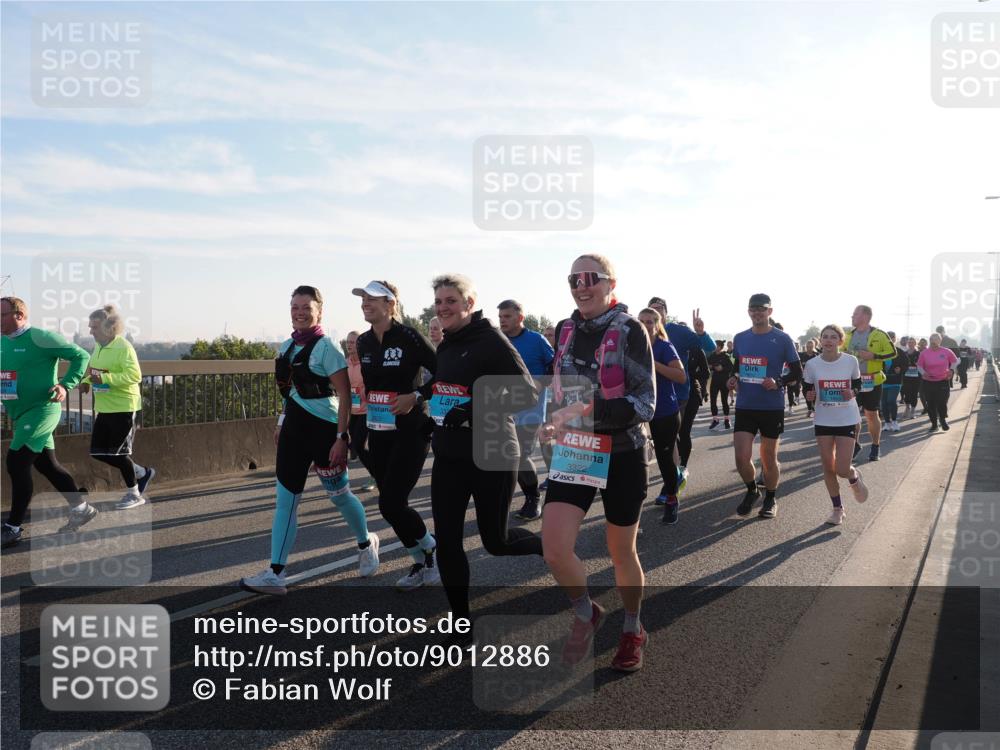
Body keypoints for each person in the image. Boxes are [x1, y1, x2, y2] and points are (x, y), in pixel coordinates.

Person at [545, 255, 655, 672]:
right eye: (574, 279)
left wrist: (585, 411)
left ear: (611, 284)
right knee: (555, 550)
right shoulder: (565, 329)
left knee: (620, 551)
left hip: (624, 451)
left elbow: (645, 403)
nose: (581, 286)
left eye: (590, 278)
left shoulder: (630, 330)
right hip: (577, 448)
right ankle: (585, 612)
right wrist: (552, 419)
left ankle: (632, 627)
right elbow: (561, 390)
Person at [240, 286, 378, 596]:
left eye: (306, 307)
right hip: (293, 431)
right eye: (294, 307)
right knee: (286, 501)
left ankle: (366, 542)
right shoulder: (286, 346)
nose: (299, 312)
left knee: (339, 496)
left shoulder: (326, 348)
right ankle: (276, 573)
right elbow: (288, 391)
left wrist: (342, 437)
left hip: (324, 432)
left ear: (319, 312)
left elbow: (344, 396)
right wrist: (281, 422)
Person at [429, 274, 543, 633]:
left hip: (492, 452)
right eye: (439, 301)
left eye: (451, 300)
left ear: (469, 303)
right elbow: (446, 390)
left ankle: (551, 548)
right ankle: (460, 622)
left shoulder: (491, 340)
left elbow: (527, 393)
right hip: (449, 455)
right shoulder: (446, 345)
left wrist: (473, 408)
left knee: (497, 541)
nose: (443, 307)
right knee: (447, 542)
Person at [352, 280, 440, 590]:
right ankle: (421, 559)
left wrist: (416, 396)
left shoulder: (409, 337)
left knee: (391, 502)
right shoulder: (363, 341)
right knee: (389, 503)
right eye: (363, 299)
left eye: (372, 299)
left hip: (411, 429)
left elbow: (444, 371)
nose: (365, 304)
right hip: (379, 431)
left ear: (390, 304)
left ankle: (430, 550)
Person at [2, 297, 94, 548]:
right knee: (47, 465)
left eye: (2, 315)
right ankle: (82, 508)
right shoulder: (2, 341)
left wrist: (65, 385)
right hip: (20, 413)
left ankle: (13, 528)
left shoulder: (41, 338)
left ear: (19, 315)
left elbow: (81, 356)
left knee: (17, 462)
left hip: (42, 410)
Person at [727, 293, 801, 519]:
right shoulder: (740, 338)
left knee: (768, 458)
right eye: (753, 309)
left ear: (770, 311)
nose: (757, 312)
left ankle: (770, 497)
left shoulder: (782, 338)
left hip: (771, 407)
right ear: (748, 311)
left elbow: (797, 372)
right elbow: (737, 366)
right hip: (746, 405)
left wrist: (778, 382)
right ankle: (752, 490)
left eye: (762, 309)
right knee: (741, 457)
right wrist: (733, 378)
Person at [81, 306, 153, 510]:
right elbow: (95, 371)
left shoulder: (123, 347)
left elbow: (134, 375)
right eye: (90, 327)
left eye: (94, 327)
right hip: (105, 407)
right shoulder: (99, 347)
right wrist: (86, 381)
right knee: (98, 452)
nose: (90, 331)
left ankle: (134, 494)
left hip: (124, 407)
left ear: (109, 327)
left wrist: (104, 379)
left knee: (118, 454)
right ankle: (142, 473)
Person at [801, 325, 870, 525]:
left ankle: (853, 476)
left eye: (833, 337)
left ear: (840, 341)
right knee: (828, 467)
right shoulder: (812, 364)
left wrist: (853, 392)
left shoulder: (850, 361)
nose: (828, 340)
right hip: (823, 419)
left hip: (846, 418)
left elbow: (858, 384)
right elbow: (807, 388)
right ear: (820, 340)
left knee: (841, 469)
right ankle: (837, 509)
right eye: (825, 337)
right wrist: (809, 396)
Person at [646, 297, 714, 489]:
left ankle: (674, 481)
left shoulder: (678, 331)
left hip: (678, 394)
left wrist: (701, 332)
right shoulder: (642, 332)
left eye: (659, 308)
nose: (656, 312)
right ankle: (673, 478)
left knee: (672, 437)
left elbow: (709, 348)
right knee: (662, 440)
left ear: (666, 312)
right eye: (652, 308)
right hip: (651, 395)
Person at [497, 299, 555, 521]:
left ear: (520, 317)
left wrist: (540, 383)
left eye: (507, 316)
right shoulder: (497, 340)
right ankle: (504, 500)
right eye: (500, 317)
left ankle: (533, 498)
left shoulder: (537, 340)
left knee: (521, 455)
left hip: (530, 410)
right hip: (503, 409)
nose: (503, 321)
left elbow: (554, 365)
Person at [638, 308, 686, 523]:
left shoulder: (664, 346)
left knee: (664, 458)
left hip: (664, 411)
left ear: (657, 325)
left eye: (650, 321)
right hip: (637, 411)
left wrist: (653, 363)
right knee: (634, 460)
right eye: (641, 321)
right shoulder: (632, 345)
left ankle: (672, 499)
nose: (645, 325)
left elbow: (681, 376)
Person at [842, 305, 896, 462]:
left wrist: (874, 356)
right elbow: (841, 353)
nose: (852, 316)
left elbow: (893, 353)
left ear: (865, 316)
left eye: (855, 314)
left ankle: (875, 446)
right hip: (852, 381)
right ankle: (854, 445)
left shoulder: (879, 334)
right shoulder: (848, 335)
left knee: (871, 415)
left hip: (872, 380)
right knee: (851, 415)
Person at [342, 330, 375, 491]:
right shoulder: (345, 363)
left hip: (367, 410)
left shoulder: (367, 362)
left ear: (360, 344)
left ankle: (375, 476)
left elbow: (376, 382)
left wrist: (366, 390)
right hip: (352, 410)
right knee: (350, 444)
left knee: (360, 445)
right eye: (348, 342)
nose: (349, 345)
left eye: (353, 342)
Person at [918, 333, 959, 432]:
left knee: (942, 402)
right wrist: (923, 373)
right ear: (930, 341)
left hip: (943, 380)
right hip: (929, 382)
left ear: (940, 341)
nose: (934, 342)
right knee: (930, 403)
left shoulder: (946, 351)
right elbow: (919, 365)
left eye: (936, 340)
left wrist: (951, 370)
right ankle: (934, 424)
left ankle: (942, 419)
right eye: (932, 340)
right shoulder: (924, 353)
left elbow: (955, 361)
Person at [880, 331, 905, 432]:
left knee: (891, 400)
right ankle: (887, 423)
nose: (890, 338)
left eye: (892, 337)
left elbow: (906, 364)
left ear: (895, 339)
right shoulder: (880, 351)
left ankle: (894, 422)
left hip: (895, 381)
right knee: (883, 403)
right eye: (888, 337)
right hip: (883, 381)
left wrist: (901, 369)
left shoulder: (899, 352)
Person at [708, 339, 733, 429]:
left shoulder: (725, 356)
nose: (715, 347)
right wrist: (711, 367)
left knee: (724, 400)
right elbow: (707, 365)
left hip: (724, 381)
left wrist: (722, 368)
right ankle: (715, 419)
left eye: (716, 345)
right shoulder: (712, 356)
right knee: (713, 400)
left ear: (720, 347)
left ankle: (727, 420)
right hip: (714, 381)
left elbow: (731, 367)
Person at [900, 337, 921, 421]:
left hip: (916, 377)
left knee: (914, 393)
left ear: (915, 343)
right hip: (906, 376)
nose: (910, 344)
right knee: (906, 392)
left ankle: (913, 410)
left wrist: (917, 364)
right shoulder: (904, 353)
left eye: (912, 342)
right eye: (909, 342)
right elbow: (901, 364)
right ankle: (907, 407)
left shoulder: (918, 353)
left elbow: (922, 364)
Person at [798, 340, 819, 418]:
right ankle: (810, 408)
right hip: (804, 378)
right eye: (808, 347)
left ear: (814, 347)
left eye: (811, 347)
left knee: (815, 393)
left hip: (815, 378)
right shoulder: (801, 355)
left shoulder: (817, 355)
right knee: (805, 393)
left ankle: (813, 409)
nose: (809, 348)